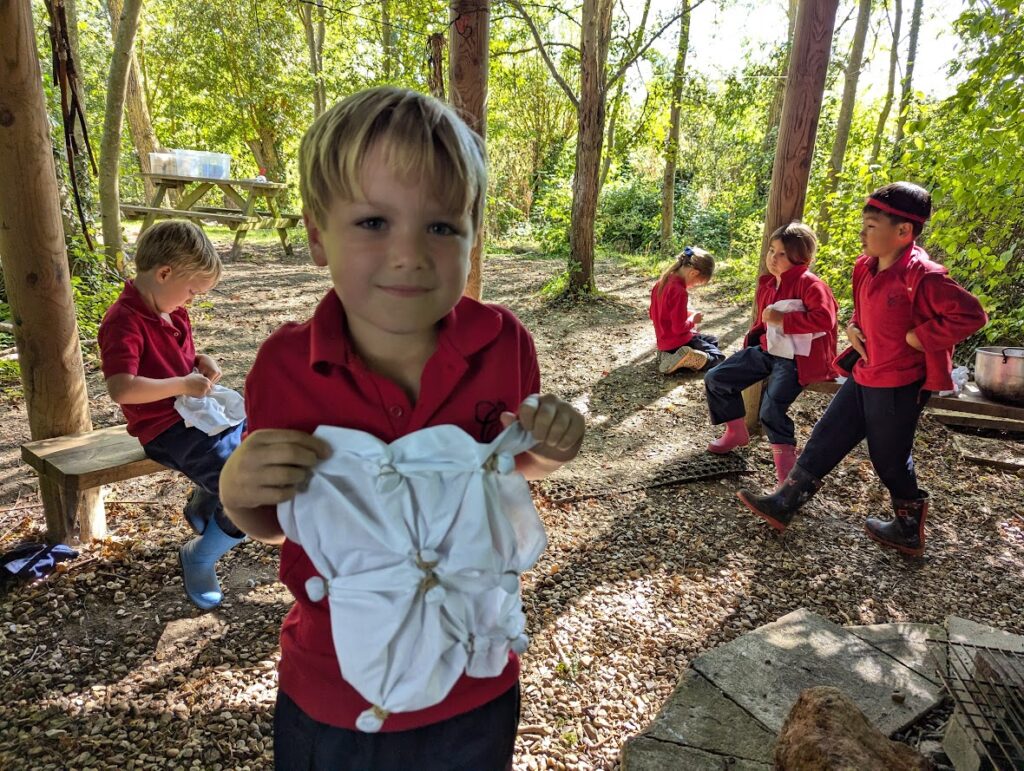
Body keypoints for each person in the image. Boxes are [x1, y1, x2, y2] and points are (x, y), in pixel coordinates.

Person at [218, 87, 586, 770]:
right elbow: (279, 520)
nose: (410, 253)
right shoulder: (285, 367)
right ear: (315, 231)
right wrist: (237, 491)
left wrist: (549, 450)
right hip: (332, 691)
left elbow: (506, 475)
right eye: (373, 222)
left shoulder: (503, 343)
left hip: (474, 680)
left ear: (474, 235)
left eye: (441, 227)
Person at [737, 182, 988, 556]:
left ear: (903, 232)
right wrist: (854, 328)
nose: (862, 232)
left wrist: (922, 337)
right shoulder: (865, 267)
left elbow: (972, 315)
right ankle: (784, 503)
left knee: (888, 458)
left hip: (900, 382)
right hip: (865, 372)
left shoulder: (924, 276)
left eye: (871, 225)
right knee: (827, 435)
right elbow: (865, 309)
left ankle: (907, 527)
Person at [98, 220, 246, 610]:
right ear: (164, 273)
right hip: (165, 429)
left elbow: (181, 361)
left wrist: (201, 361)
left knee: (260, 443)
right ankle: (199, 556)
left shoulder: (173, 313)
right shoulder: (122, 321)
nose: (192, 300)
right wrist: (183, 384)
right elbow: (122, 387)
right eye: (192, 291)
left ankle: (207, 497)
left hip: (194, 415)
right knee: (249, 493)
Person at [704, 222, 838, 483]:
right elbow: (765, 325)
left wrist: (783, 320)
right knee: (717, 378)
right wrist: (755, 339)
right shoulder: (769, 283)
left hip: (797, 359)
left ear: (803, 259)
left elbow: (825, 319)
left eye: (782, 254)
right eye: (771, 250)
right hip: (768, 350)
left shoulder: (811, 284)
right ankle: (735, 432)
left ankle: (787, 479)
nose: (773, 258)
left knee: (771, 411)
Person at [649, 246, 725, 374]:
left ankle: (668, 356)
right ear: (693, 273)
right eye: (696, 283)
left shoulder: (662, 281)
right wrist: (693, 320)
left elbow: (654, 314)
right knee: (718, 358)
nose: (693, 286)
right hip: (678, 340)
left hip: (664, 341)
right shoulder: (679, 291)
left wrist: (686, 313)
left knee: (713, 340)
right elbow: (678, 328)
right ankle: (684, 358)